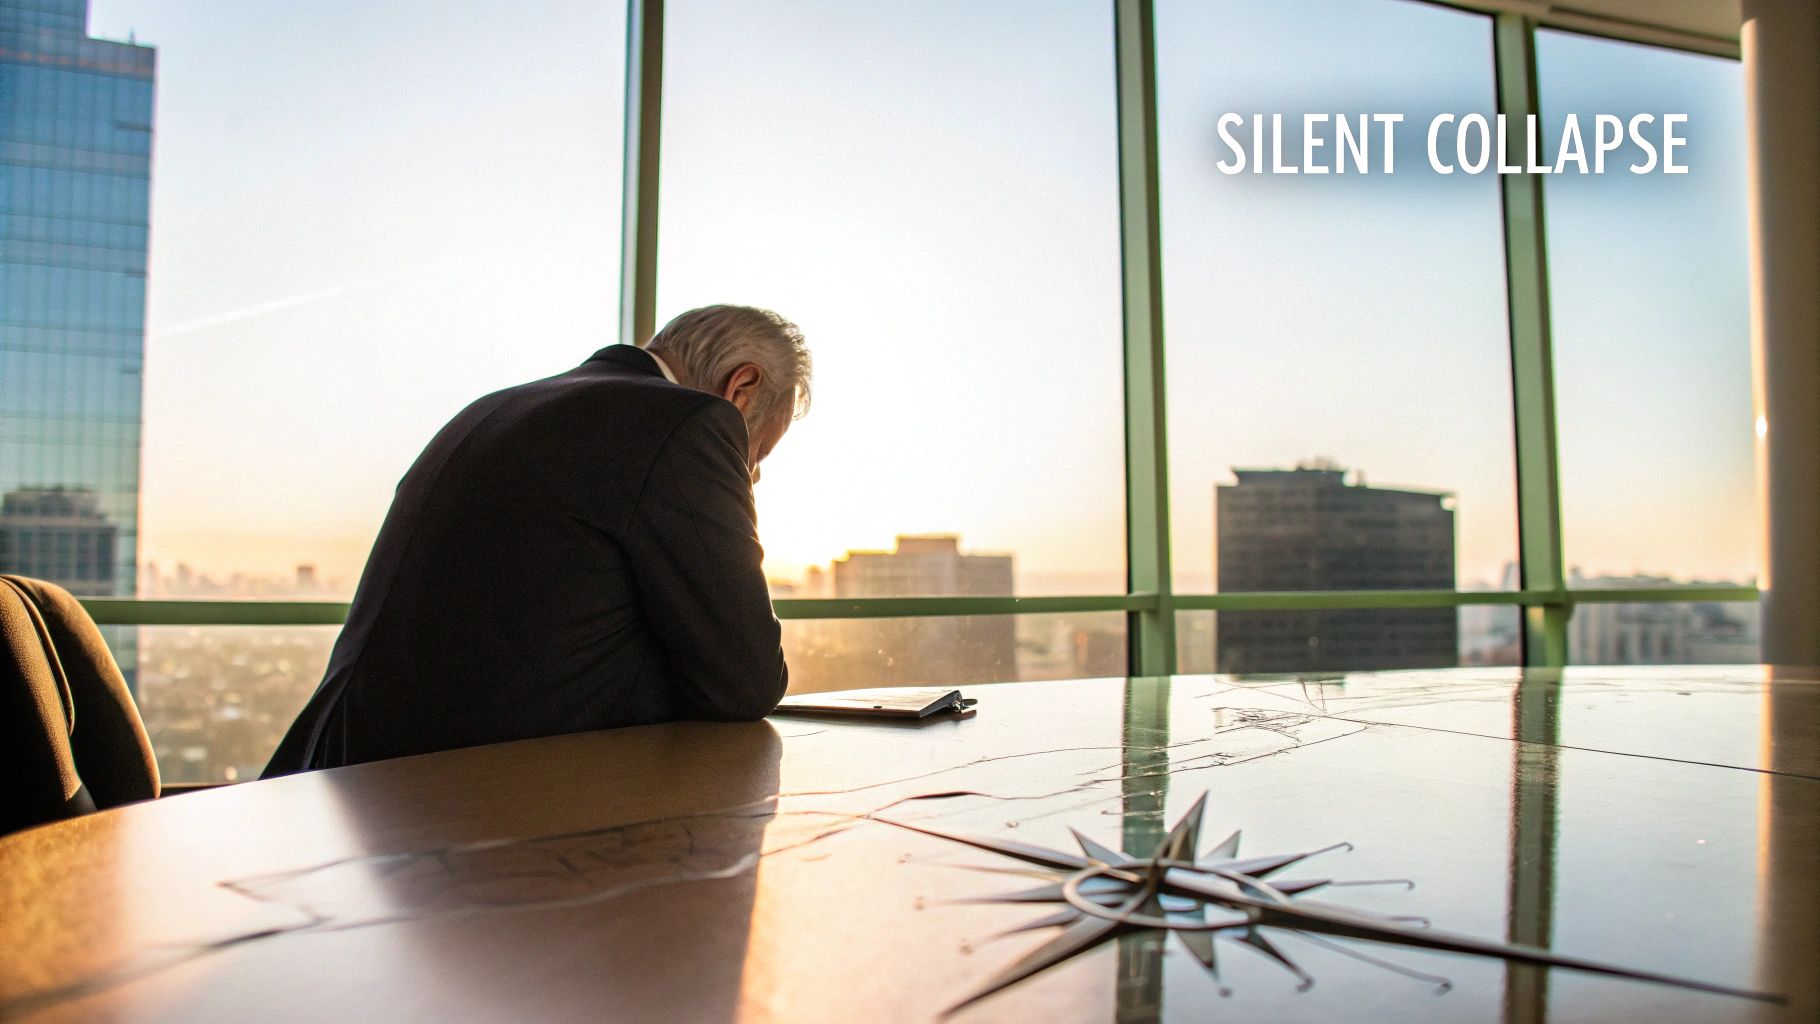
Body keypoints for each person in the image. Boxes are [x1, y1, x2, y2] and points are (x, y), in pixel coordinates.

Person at [263, 305, 810, 776]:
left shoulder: (495, 407)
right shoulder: (688, 421)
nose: (751, 476)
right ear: (742, 386)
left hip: (340, 769)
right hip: (476, 806)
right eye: (756, 453)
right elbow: (743, 682)